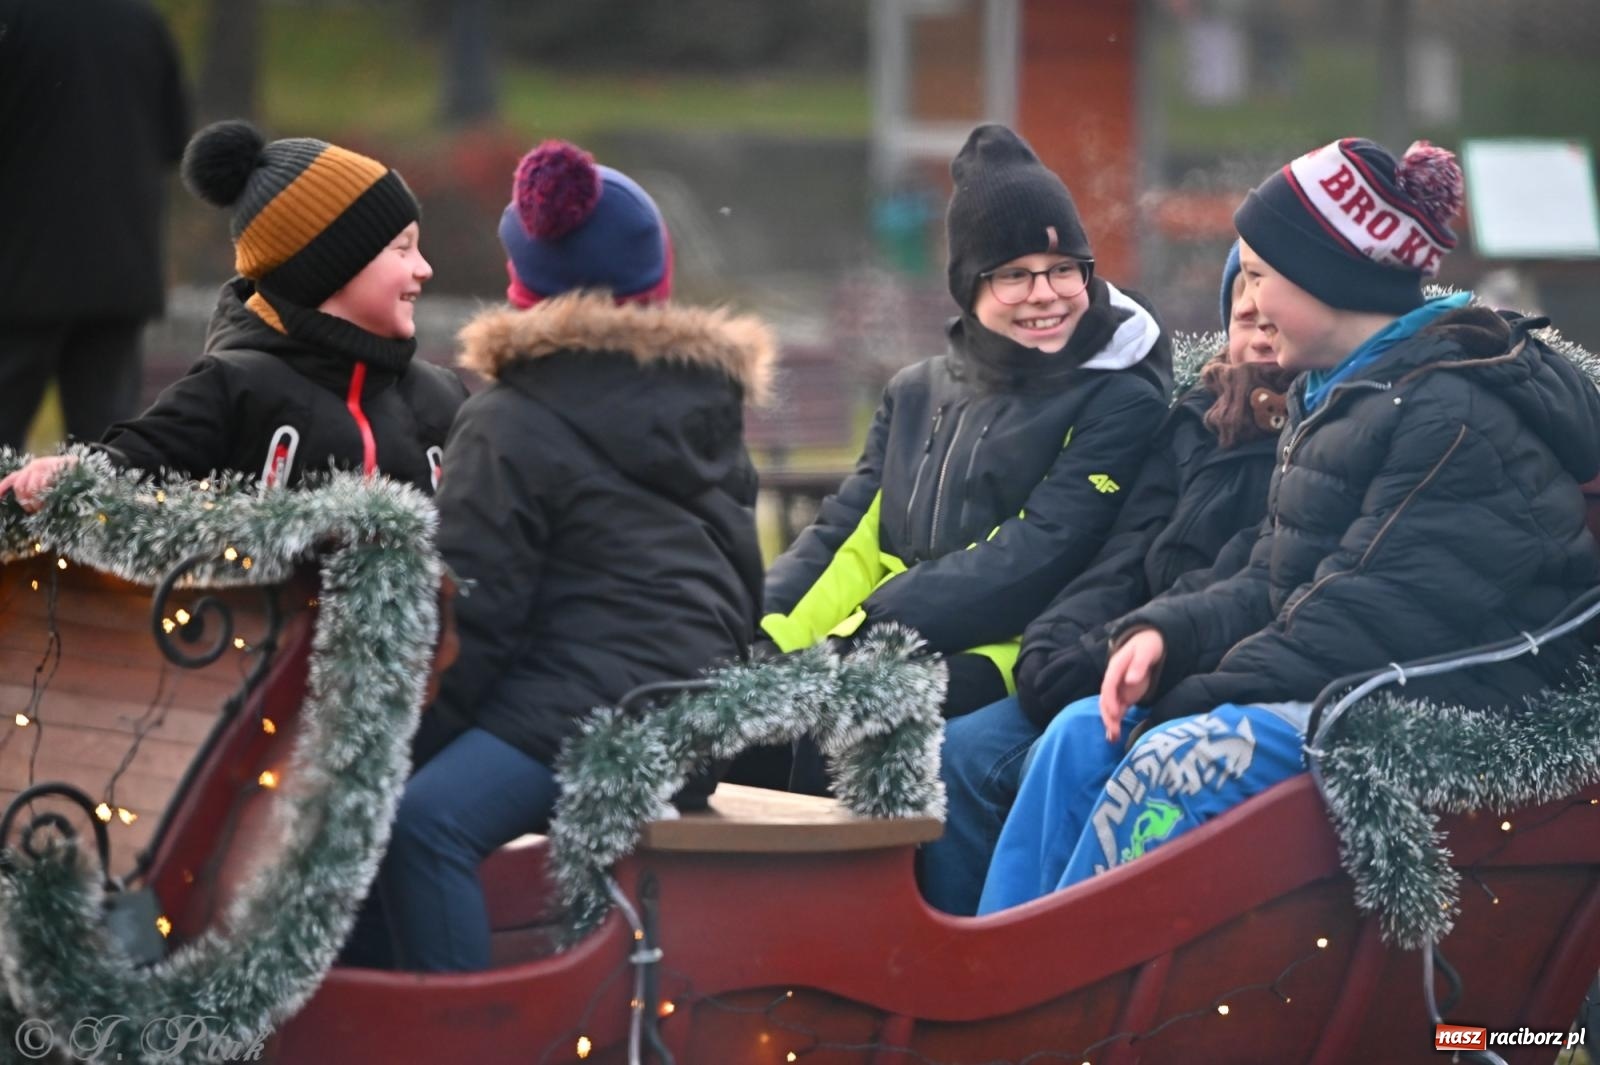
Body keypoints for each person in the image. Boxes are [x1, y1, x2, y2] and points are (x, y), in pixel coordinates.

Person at [979, 138, 1600, 914]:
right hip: (1344, 677)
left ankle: (1073, 1006)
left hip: (1446, 700)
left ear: (1328, 280)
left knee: (1176, 757)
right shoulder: (1343, 397)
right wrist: (1163, 633)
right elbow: (1271, 573)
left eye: (1263, 275)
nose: (1252, 301)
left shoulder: (1448, 413)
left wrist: (1189, 697)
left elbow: (1363, 617)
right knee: (1081, 736)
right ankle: (1000, 980)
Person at [360, 140, 770, 972]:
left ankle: (469, 1038)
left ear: (526, 288)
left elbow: (471, 611)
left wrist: (400, 739)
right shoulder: (704, 401)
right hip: (697, 717)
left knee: (418, 821)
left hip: (590, 717)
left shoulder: (509, 417)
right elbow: (738, 572)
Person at [757, 124, 1170, 737]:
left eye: (1065, 269)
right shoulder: (917, 391)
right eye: (1014, 274)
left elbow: (1037, 555)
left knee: (845, 724)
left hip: (1015, 647)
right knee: (746, 708)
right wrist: (767, 629)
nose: (1046, 295)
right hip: (896, 633)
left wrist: (867, 631)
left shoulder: (1119, 398)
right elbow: (848, 533)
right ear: (969, 286)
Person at [920, 243, 1292, 914]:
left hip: (1190, 666)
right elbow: (1125, 554)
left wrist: (1102, 653)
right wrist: (1055, 641)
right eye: (1244, 318)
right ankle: (955, 954)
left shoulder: (1312, 441)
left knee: (1054, 751)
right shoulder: (1194, 423)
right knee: (958, 754)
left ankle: (1026, 954)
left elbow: (1239, 577)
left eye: (1273, 318)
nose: (1258, 334)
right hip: (1121, 651)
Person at [0, 121, 465, 507]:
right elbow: (141, 458)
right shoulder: (236, 385)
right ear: (328, 267)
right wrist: (73, 473)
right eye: (401, 249)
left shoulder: (442, 397)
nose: (424, 268)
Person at [0, 0, 191, 450]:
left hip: (19, 273)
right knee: (107, 450)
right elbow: (172, 141)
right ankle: (104, 523)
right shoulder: (140, 21)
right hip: (120, 273)